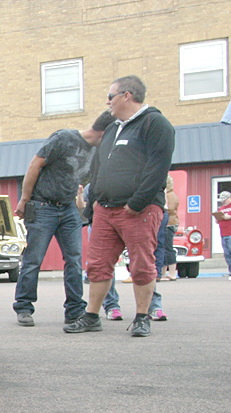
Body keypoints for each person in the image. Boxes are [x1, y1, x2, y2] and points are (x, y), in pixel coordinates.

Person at [65, 75, 175, 337]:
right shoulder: (114, 128)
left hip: (139, 210)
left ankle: (141, 317)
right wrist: (92, 204)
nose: (107, 101)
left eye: (110, 96)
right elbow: (98, 167)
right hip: (105, 209)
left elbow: (158, 169)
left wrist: (136, 203)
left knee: (141, 264)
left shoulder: (155, 123)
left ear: (127, 95)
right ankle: (91, 316)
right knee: (98, 264)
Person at [13, 110, 115, 326]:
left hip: (68, 208)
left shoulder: (97, 153)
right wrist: (24, 199)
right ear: (104, 132)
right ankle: (23, 306)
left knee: (74, 260)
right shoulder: (64, 138)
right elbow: (35, 164)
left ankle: (75, 309)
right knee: (33, 260)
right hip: (43, 206)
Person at [162, 176, 180, 280]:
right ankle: (164, 273)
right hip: (169, 223)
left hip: (169, 224)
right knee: (164, 248)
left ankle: (172, 273)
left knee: (168, 248)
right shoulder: (170, 194)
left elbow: (170, 209)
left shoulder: (170, 195)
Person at [214, 190, 231, 278]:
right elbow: (218, 221)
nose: (223, 201)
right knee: (227, 253)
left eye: (225, 199)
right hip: (223, 234)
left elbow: (228, 216)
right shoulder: (221, 208)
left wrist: (226, 217)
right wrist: (218, 218)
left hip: (230, 233)